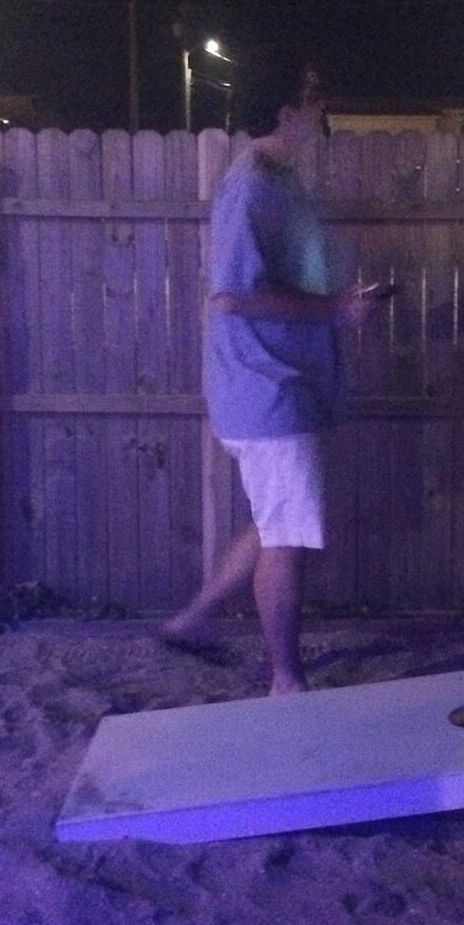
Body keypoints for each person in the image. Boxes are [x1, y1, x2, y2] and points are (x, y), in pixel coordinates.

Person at [159, 50, 380, 695]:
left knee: (275, 518)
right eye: (312, 93)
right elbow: (231, 296)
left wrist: (335, 304)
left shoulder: (277, 180)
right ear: (286, 112)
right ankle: (287, 680)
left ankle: (192, 620)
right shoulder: (254, 187)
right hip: (267, 386)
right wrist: (337, 309)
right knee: (285, 536)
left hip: (276, 384)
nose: (321, 103)